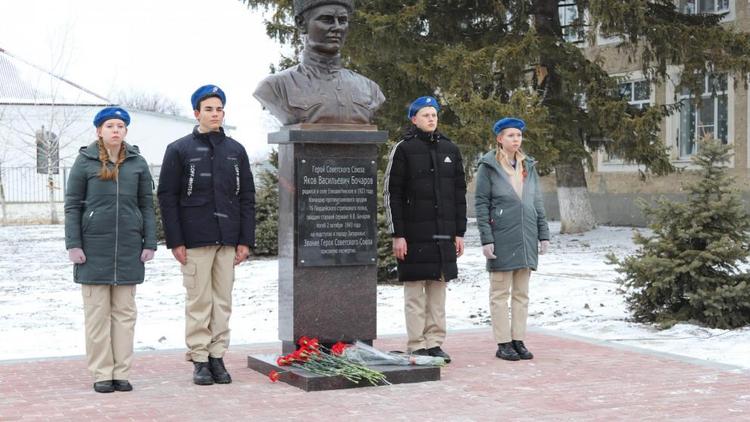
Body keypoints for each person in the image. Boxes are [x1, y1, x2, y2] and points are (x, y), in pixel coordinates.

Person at [157, 85, 256, 385]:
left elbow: (247, 196)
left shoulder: (235, 151)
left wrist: (244, 240)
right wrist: (175, 240)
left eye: (219, 109)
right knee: (199, 302)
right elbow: (167, 197)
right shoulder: (179, 149)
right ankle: (199, 359)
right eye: (209, 109)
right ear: (197, 113)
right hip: (195, 239)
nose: (215, 114)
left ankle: (217, 356)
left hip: (228, 239)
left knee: (222, 301)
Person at [64, 107, 157, 393]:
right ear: (99, 131)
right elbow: (72, 206)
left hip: (129, 248)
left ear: (126, 131)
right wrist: (74, 244)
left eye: (120, 126)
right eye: (110, 126)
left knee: (124, 315)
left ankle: (121, 372)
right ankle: (102, 373)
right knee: (97, 316)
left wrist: (150, 242)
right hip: (93, 249)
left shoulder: (138, 163)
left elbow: (147, 206)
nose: (115, 130)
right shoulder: (84, 162)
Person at [384, 96, 467, 363]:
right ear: (414, 119)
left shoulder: (450, 149)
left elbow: (459, 194)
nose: (431, 119)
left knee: (437, 291)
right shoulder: (404, 149)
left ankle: (434, 342)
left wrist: (459, 232)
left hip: (443, 232)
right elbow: (392, 194)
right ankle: (417, 343)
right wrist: (398, 234)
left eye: (434, 114)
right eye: (425, 115)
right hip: (413, 234)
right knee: (415, 292)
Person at [474, 117, 550, 361]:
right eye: (510, 135)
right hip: (501, 235)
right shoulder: (488, 166)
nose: (516, 140)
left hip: (526, 235)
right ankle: (503, 342)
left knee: (521, 293)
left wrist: (543, 233)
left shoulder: (528, 165)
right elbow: (481, 203)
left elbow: (536, 201)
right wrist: (487, 239)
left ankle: (518, 339)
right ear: (499, 139)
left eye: (518, 135)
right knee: (500, 293)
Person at [253, 0, 385, 125]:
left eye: (342, 20)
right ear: (301, 23)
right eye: (327, 19)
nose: (337, 27)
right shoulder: (275, 86)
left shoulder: (370, 89)